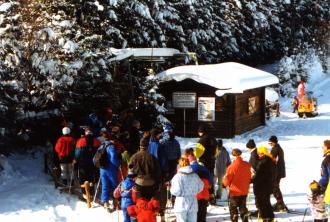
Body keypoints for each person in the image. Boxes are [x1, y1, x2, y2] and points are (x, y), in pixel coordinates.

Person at [170, 157, 204, 222]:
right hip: (193, 203)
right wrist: (194, 192)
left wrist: (171, 190)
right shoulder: (195, 176)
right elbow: (201, 186)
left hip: (181, 203)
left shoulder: (178, 177)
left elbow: (176, 191)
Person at [223, 148, 251, 222]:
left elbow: (227, 179)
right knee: (243, 207)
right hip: (244, 190)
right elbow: (250, 176)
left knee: (233, 209)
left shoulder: (231, 167)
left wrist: (224, 184)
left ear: (233, 156)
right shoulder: (247, 165)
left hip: (234, 191)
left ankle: (235, 220)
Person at [94, 136, 120, 210]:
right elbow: (113, 158)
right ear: (113, 140)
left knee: (105, 186)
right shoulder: (111, 147)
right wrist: (118, 164)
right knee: (115, 186)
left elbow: (94, 159)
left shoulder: (101, 146)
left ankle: (105, 202)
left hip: (102, 169)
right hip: (111, 169)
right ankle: (116, 201)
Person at [195, 124, 218, 203]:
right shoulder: (214, 139)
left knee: (204, 178)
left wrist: (194, 154)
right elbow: (216, 152)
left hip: (203, 162)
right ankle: (211, 195)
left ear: (201, 132)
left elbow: (198, 154)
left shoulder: (202, 141)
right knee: (210, 177)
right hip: (212, 161)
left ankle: (204, 195)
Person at [253, 146, 275, 221]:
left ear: (262, 153)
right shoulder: (270, 160)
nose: (258, 154)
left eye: (259, 153)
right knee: (267, 203)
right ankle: (271, 218)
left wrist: (252, 179)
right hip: (268, 185)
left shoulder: (262, 162)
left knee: (262, 204)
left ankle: (265, 218)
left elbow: (259, 175)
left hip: (261, 187)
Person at [268, 135, 288, 212]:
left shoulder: (275, 149)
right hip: (280, 170)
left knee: (275, 187)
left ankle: (280, 204)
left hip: (277, 171)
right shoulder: (278, 148)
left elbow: (271, 159)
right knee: (275, 187)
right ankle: (280, 203)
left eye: (270, 143)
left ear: (274, 142)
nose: (269, 144)